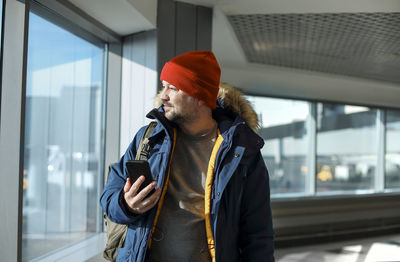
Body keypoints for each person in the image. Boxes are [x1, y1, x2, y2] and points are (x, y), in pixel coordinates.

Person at [100, 51, 274, 262]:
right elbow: (109, 197)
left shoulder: (241, 152)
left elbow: (258, 234)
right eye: (164, 86)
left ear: (200, 96)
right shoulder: (149, 138)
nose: (163, 95)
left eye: (173, 88)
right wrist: (126, 204)